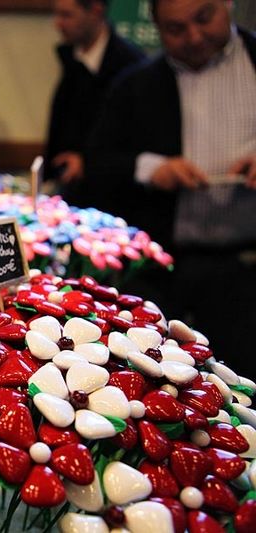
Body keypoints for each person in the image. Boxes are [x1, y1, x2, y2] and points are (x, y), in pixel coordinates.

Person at [85, 0, 256, 375]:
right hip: (165, 267)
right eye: (176, 29)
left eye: (204, 18)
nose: (194, 36)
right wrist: (151, 168)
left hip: (247, 265)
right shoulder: (135, 84)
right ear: (158, 27)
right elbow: (98, 164)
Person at [45, 0, 144, 205]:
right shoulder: (72, 56)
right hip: (68, 188)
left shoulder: (130, 66)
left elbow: (132, 139)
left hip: (112, 196)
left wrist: (88, 162)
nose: (58, 24)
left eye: (67, 15)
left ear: (96, 11)